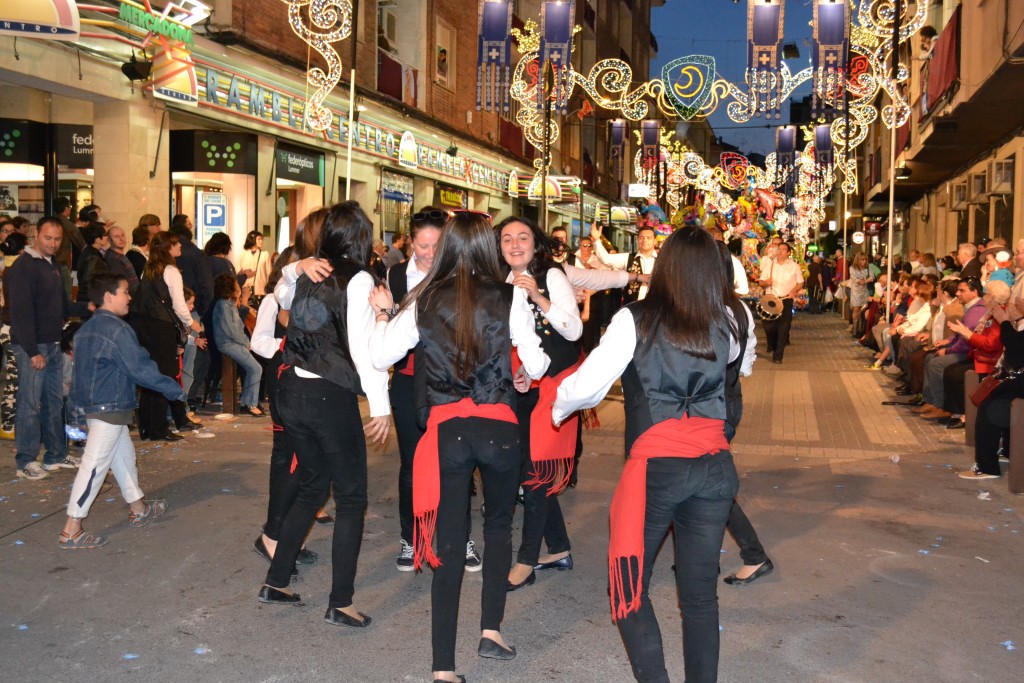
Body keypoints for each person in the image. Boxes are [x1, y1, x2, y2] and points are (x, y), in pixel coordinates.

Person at [552, 227, 741, 683]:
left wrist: (558, 407)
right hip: (715, 466)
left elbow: (587, 386)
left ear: (666, 266)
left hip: (657, 469)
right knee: (700, 596)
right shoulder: (729, 322)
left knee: (629, 588)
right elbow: (735, 369)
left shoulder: (634, 320)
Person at [369, 210, 549, 683]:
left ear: (447, 246)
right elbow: (536, 363)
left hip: (447, 430)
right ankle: (491, 631)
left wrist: (384, 314)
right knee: (498, 529)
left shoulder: (424, 298)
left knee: (449, 544)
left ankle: (443, 668)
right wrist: (520, 369)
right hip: (499, 427)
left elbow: (380, 355)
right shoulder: (509, 296)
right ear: (487, 247)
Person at [257, 202, 390, 633]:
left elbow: (279, 295)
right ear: (361, 237)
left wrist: (295, 267)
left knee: (313, 484)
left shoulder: (310, 272)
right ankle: (341, 603)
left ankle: (277, 581)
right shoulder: (359, 279)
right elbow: (367, 349)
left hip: (291, 389)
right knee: (350, 498)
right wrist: (381, 405)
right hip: (328, 394)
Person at [382, 207, 484, 571]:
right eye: (421, 245)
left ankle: (460, 538)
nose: (428, 253)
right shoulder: (395, 276)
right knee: (412, 464)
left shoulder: (462, 274)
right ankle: (411, 538)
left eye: (436, 245)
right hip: (409, 381)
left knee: (457, 463)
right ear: (410, 242)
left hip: (453, 381)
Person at [58, 273, 184, 548]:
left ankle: (138, 508)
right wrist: (172, 389)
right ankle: (72, 528)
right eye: (125, 292)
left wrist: (77, 414)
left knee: (124, 457)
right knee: (94, 466)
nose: (129, 298)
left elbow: (80, 376)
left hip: (96, 407)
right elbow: (139, 367)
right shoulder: (118, 330)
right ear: (108, 296)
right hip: (110, 408)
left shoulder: (85, 330)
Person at [496, 216, 583, 592]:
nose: (515, 245)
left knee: (535, 475)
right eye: (507, 239)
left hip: (556, 387)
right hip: (526, 384)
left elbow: (574, 330)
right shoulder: (501, 282)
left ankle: (526, 560)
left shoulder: (551, 276)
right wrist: (520, 370)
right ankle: (558, 547)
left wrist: (538, 297)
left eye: (522, 237)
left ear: (536, 243)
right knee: (530, 470)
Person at [8, 218, 92, 479]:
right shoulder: (23, 267)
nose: (53, 244)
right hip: (34, 346)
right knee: (30, 404)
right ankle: (25, 461)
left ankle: (55, 454)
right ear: (35, 234)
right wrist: (32, 351)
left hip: (53, 343)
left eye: (57, 239)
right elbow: (21, 313)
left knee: (54, 402)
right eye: (48, 238)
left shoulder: (51, 265)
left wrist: (88, 307)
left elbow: (61, 306)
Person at [129, 232, 201, 442]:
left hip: (145, 326)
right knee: (165, 376)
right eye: (176, 244)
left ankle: (147, 427)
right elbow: (178, 303)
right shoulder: (171, 271)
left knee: (150, 376)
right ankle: (159, 428)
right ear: (168, 248)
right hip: (162, 327)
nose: (180, 246)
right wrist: (191, 323)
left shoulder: (150, 269)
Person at [211, 274, 264, 416]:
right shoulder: (224, 305)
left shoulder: (228, 304)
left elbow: (236, 328)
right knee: (256, 368)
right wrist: (246, 343)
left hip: (233, 342)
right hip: (228, 343)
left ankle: (248, 401)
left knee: (254, 368)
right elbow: (231, 330)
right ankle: (250, 403)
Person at [0, 231, 28, 441]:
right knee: (13, 379)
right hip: (11, 329)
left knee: (14, 377)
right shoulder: (16, 271)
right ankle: (7, 424)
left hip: (8, 327)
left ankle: (10, 423)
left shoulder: (8, 269)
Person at [758, 241, 803, 363]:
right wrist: (766, 283)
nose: (780, 251)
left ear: (788, 253)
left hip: (786, 300)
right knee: (768, 326)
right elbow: (761, 282)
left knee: (783, 328)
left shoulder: (794, 266)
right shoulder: (770, 265)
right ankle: (772, 345)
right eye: (779, 249)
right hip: (771, 300)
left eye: (783, 249)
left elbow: (800, 282)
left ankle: (778, 356)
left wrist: (793, 291)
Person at [591, 222, 657, 302]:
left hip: (656, 306)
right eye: (641, 238)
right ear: (637, 240)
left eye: (649, 238)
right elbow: (606, 259)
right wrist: (597, 240)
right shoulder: (628, 258)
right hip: (632, 306)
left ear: (655, 241)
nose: (644, 240)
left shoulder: (662, 260)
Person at [169, 214, 215, 318]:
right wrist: (201, 310)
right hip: (192, 308)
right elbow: (207, 287)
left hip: (170, 310)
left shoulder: (163, 254)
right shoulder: (197, 254)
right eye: (189, 223)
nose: (192, 226)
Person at [76, 222, 108, 303]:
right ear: (97, 239)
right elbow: (88, 282)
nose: (107, 237)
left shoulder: (89, 251)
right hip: (90, 301)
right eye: (105, 235)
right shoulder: (93, 256)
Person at [103, 224, 140, 294]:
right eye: (116, 237)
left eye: (122, 235)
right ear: (109, 240)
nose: (121, 239)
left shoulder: (118, 255)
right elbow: (120, 284)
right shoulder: (113, 258)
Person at [238, 229, 272, 298]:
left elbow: (269, 273)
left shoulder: (265, 254)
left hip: (261, 291)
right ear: (252, 240)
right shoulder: (243, 255)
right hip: (246, 290)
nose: (261, 241)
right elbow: (238, 272)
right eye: (259, 239)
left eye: (261, 239)